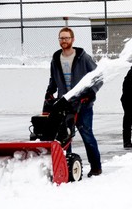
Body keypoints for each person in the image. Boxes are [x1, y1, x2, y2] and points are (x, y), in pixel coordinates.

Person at [43, 27, 102, 177]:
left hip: (83, 104)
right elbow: (53, 79)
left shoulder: (83, 57)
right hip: (65, 105)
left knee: (87, 135)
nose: (64, 41)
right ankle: (65, 169)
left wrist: (90, 92)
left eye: (66, 38)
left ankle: (96, 168)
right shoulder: (56, 59)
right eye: (61, 38)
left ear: (73, 40)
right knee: (64, 138)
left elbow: (98, 77)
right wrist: (50, 92)